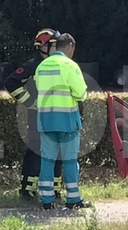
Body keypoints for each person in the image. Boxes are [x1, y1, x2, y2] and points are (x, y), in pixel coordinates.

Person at [33, 32, 89, 210]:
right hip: (67, 120)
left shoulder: (42, 66)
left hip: (45, 120)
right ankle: (73, 199)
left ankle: (46, 201)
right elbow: (81, 93)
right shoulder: (69, 65)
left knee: (47, 160)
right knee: (70, 161)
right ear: (70, 46)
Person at [4, 28, 60, 199]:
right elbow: (11, 82)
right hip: (37, 115)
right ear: (44, 46)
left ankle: (55, 189)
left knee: (58, 150)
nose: (57, 48)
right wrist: (30, 103)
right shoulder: (32, 66)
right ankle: (27, 189)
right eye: (54, 44)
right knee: (36, 151)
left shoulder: (58, 64)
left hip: (57, 114)